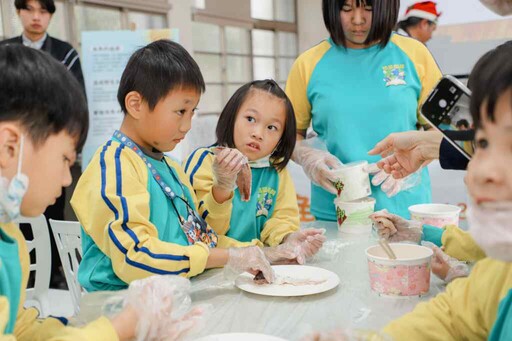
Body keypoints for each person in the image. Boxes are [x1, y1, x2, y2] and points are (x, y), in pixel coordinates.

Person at [305, 37, 512, 341]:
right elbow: (454, 316)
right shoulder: (499, 270)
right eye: (481, 144)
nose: (478, 174)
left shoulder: (413, 54)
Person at [0, 43, 199, 341]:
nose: (68, 178)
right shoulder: (114, 163)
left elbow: (20, 327)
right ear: (9, 146)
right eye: (65, 158)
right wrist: (118, 328)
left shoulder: (10, 237)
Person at [71, 40, 302, 292]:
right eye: (180, 111)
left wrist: (264, 253)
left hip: (171, 296)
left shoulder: (170, 167)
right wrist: (230, 257)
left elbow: (201, 237)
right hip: (117, 307)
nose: (187, 125)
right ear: (136, 104)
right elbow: (135, 257)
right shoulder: (113, 165)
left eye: (192, 112)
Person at [286, 0, 442, 221]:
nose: (357, 19)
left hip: (403, 206)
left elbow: (441, 132)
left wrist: (414, 163)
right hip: (336, 210)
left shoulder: (415, 54)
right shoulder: (308, 64)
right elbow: (289, 135)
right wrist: (306, 155)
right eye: (346, 9)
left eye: (368, 8)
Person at [184, 80, 325, 260]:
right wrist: (222, 189)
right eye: (250, 119)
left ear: (282, 138)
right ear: (232, 117)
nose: (258, 133)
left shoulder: (275, 172)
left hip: (257, 268)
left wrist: (288, 238)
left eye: (271, 127)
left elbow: (281, 219)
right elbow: (202, 234)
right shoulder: (203, 161)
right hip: (212, 267)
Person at [0, 0, 86, 288]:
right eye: (30, 10)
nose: (36, 17)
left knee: (48, 214)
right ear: (19, 12)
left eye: (43, 11)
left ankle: (50, 274)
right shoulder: (6, 51)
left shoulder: (65, 53)